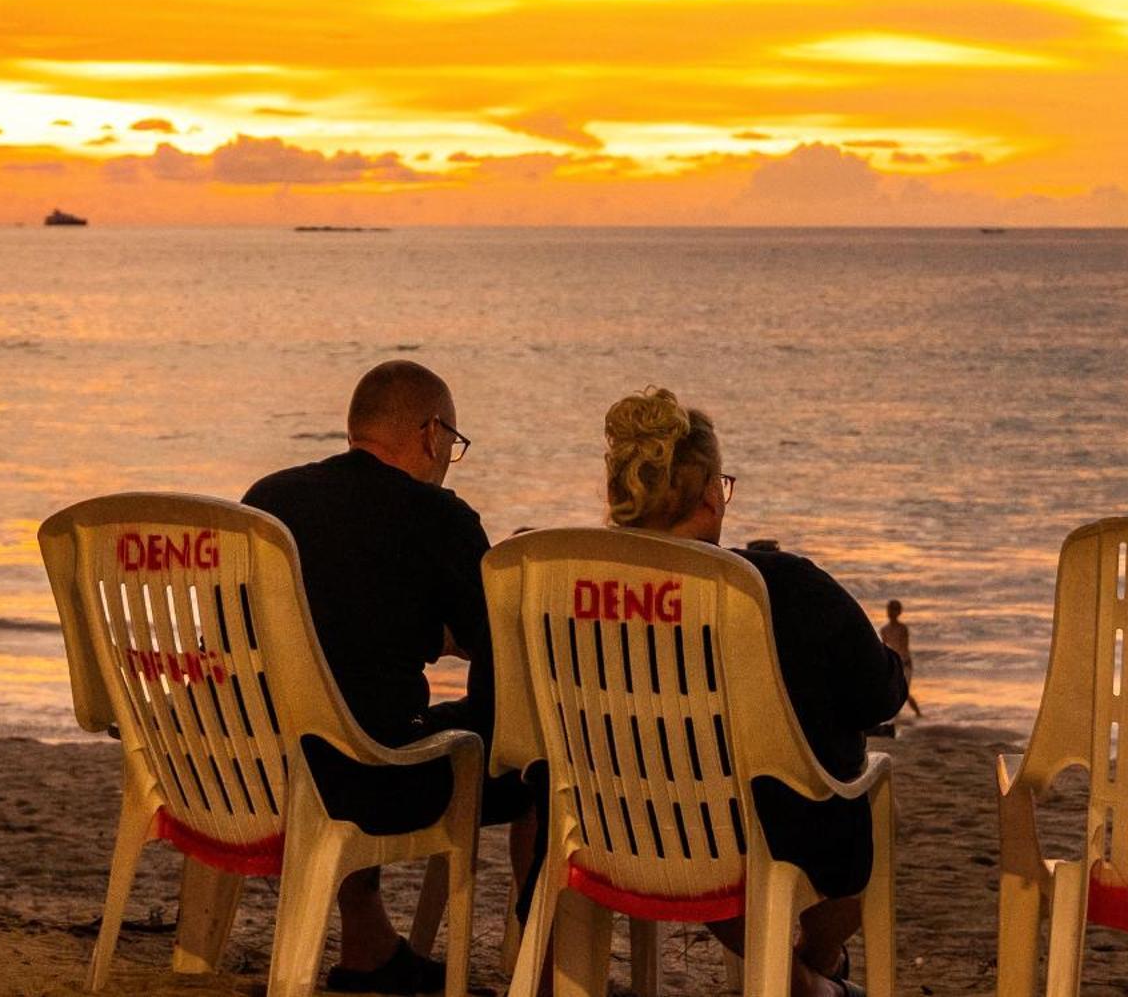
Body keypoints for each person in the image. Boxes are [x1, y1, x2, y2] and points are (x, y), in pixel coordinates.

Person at [602, 387, 908, 997]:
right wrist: (895, 658)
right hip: (754, 837)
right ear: (714, 493)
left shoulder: (576, 585)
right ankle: (810, 974)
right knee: (875, 806)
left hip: (616, 820)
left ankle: (803, 975)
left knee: (704, 816)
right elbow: (878, 698)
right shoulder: (785, 587)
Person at [243, 360, 532, 995]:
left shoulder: (269, 500)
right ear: (432, 434)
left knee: (346, 709)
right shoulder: (438, 517)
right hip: (371, 781)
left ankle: (370, 947)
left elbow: (319, 618)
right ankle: (538, 961)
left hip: (258, 767)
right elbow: (501, 649)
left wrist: (419, 627)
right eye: (453, 443)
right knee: (537, 765)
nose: (449, 458)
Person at [878, 600, 923, 719]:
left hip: (905, 663)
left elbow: (903, 646)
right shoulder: (884, 629)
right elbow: (885, 647)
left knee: (904, 691)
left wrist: (900, 661)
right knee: (895, 692)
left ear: (898, 612)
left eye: (893, 609)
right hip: (895, 662)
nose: (890, 612)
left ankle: (918, 715)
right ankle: (897, 717)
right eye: (889, 609)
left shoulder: (902, 628)